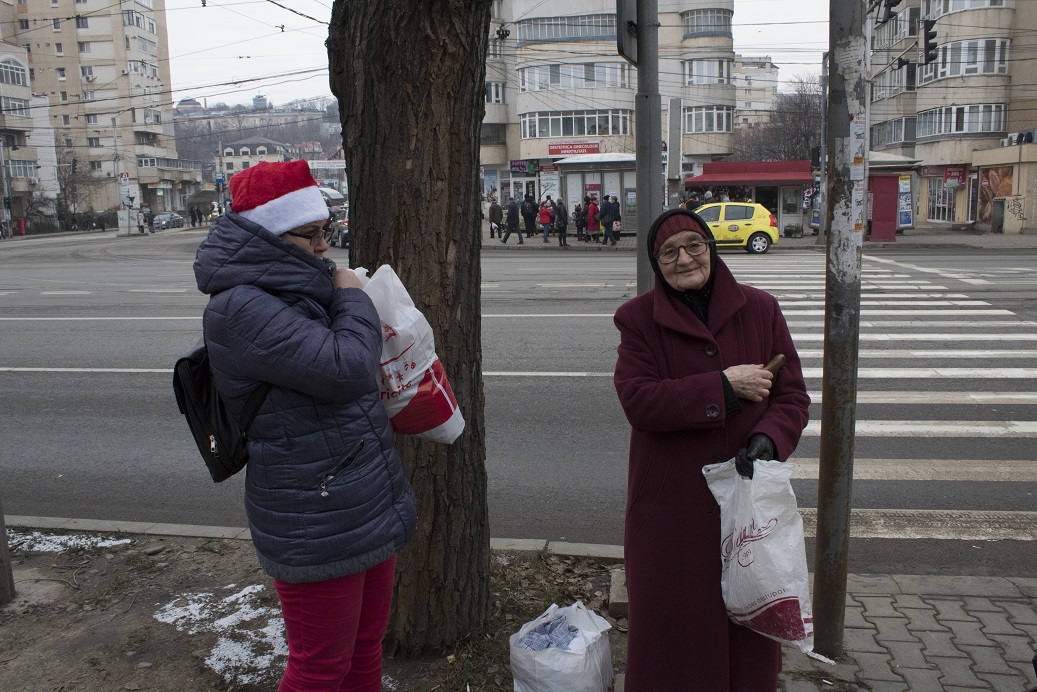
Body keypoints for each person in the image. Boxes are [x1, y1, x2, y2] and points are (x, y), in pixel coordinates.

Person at [192, 160, 417, 691]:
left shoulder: (299, 285)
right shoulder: (240, 306)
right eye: (311, 234)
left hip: (361, 497)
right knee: (319, 667)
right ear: (269, 236)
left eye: (326, 231)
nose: (324, 246)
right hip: (313, 515)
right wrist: (354, 297)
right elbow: (346, 368)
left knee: (365, 650)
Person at [612, 208, 810, 691]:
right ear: (657, 264)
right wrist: (722, 387)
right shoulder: (637, 320)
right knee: (673, 640)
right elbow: (639, 401)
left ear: (712, 248)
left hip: (744, 511)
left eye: (694, 246)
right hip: (670, 511)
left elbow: (792, 397)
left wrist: (770, 438)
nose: (684, 259)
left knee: (744, 636)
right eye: (669, 252)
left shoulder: (761, 309)